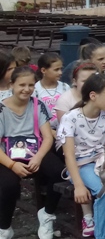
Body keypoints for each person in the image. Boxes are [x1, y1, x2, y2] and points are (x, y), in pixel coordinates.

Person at [0, 67, 63, 239]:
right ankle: (4, 227)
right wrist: (12, 165)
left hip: (35, 151)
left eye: (31, 85)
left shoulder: (37, 105)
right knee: (8, 185)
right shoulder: (1, 109)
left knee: (59, 172)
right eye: (22, 85)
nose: (26, 89)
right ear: (12, 85)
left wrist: (38, 157)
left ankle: (47, 214)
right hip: (7, 156)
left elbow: (47, 137)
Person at [56, 73, 105, 239]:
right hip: (81, 164)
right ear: (93, 95)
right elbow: (69, 155)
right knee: (102, 192)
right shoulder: (70, 118)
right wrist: (78, 185)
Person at [34, 52, 70, 130]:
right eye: (56, 70)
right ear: (43, 70)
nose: (60, 72)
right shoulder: (35, 90)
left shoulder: (65, 87)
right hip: (42, 130)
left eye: (61, 69)